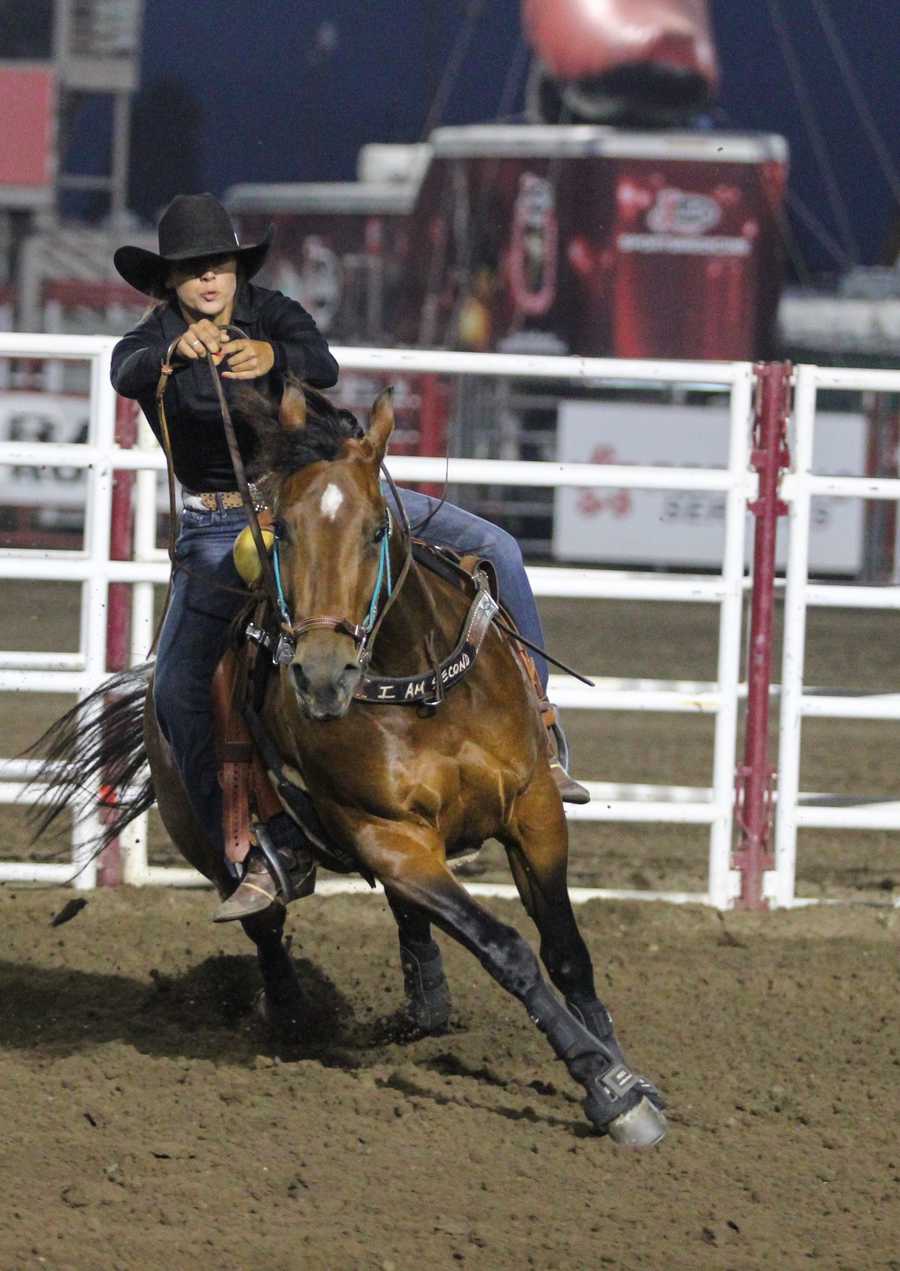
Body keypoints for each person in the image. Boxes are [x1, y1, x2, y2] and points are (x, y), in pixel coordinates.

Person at [111, 192, 587, 922]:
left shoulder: (271, 314)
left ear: (238, 269)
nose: (210, 280)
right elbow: (127, 367)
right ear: (168, 283)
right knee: (177, 689)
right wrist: (174, 353)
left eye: (220, 266)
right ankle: (254, 843)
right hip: (220, 524)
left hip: (331, 500)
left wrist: (273, 356)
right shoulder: (156, 341)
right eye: (192, 270)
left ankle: (543, 731)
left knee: (498, 547)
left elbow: (320, 362)